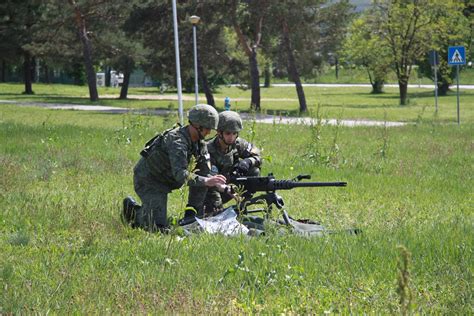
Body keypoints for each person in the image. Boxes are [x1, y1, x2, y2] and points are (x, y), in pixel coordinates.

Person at [122, 104, 228, 232]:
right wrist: (206, 181)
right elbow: (180, 174)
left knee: (204, 181)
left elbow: (205, 172)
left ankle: (191, 215)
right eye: (206, 129)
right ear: (196, 125)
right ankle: (132, 211)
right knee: (156, 227)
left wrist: (221, 187)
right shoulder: (176, 141)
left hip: (166, 181)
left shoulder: (200, 144)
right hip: (149, 181)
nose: (209, 132)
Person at [182, 110, 262, 220]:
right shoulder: (207, 148)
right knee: (215, 216)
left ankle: (243, 206)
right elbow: (207, 179)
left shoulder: (238, 144)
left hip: (228, 186)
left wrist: (247, 162)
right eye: (228, 133)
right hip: (209, 190)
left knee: (254, 171)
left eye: (234, 133)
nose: (232, 137)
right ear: (219, 132)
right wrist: (224, 191)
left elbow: (258, 156)